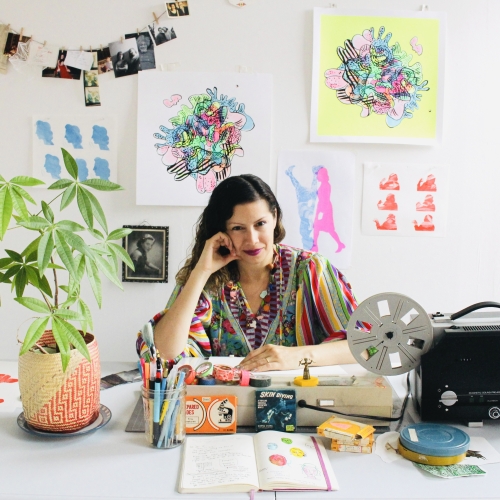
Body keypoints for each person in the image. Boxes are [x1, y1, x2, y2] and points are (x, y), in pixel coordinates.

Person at [136, 174, 358, 372]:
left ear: (274, 217)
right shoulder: (208, 279)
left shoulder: (310, 269)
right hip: (221, 409)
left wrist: (298, 357)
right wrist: (201, 272)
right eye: (238, 228)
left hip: (301, 408)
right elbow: (163, 355)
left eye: (260, 223)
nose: (252, 239)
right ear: (221, 231)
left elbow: (367, 345)